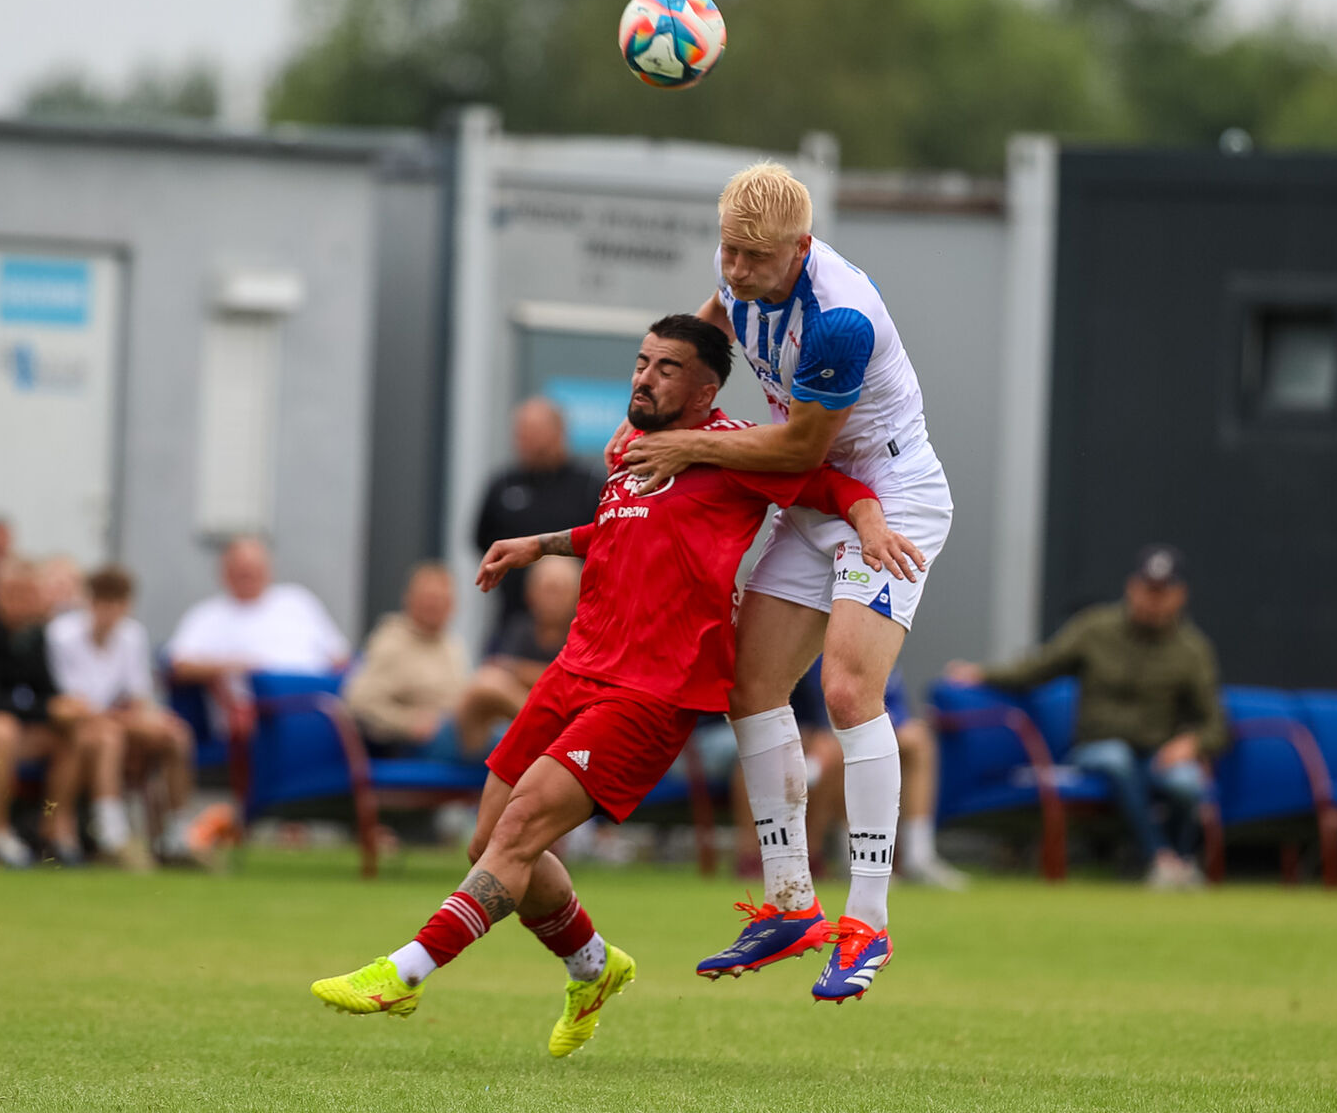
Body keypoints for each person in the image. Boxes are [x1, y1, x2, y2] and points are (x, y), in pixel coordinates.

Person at [310, 314, 924, 1051]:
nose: (644, 376)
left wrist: (871, 524)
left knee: (519, 830)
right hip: (576, 666)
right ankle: (593, 967)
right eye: (641, 361)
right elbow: (627, 529)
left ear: (705, 391)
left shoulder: (734, 452)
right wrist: (539, 545)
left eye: (666, 367)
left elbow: (834, 482)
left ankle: (404, 971)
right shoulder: (632, 450)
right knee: (488, 843)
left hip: (651, 691)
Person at [616, 162, 953, 1000]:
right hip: (816, 499)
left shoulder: (837, 320)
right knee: (751, 684)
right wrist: (651, 415)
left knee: (845, 692)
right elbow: (700, 353)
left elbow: (801, 449)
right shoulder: (737, 272)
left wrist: (687, 448)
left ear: (799, 249)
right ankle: (789, 902)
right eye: (726, 252)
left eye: (755, 260)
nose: (735, 272)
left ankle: (867, 922)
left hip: (890, 493)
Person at [944, 545, 1229, 887]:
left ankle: (1181, 860)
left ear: (1179, 595)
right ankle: (1159, 857)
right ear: (1131, 587)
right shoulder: (1096, 628)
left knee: (1186, 783)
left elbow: (1216, 724)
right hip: (1096, 748)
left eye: (1162, 592)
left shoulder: (1192, 649)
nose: (1152, 600)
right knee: (1118, 759)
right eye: (1146, 589)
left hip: (1157, 752)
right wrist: (983, 674)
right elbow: (1038, 668)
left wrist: (1191, 744)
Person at [0, 557, 132, 868]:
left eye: (29, 594)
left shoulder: (33, 638)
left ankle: (54, 827)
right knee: (0, 729)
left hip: (2, 736)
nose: (24, 602)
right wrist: (46, 708)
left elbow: (45, 692)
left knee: (71, 733)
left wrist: (63, 708)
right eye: (15, 593)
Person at [47, 566, 196, 864]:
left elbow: (138, 698)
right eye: (103, 602)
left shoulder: (133, 634)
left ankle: (176, 835)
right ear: (89, 602)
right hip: (75, 728)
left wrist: (149, 722)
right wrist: (127, 719)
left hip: (116, 720)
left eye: (117, 603)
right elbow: (74, 705)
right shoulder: (61, 634)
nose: (110, 612)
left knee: (176, 735)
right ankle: (112, 835)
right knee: (108, 737)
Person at [784, 660, 968, 890]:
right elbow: (820, 708)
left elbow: (896, 705)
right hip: (820, 733)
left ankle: (918, 856)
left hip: (871, 725)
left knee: (918, 740)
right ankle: (853, 857)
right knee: (843, 744)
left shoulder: (881, 637)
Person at [473, 397, 602, 646]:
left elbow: (604, 543)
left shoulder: (589, 486)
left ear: (558, 432)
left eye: (531, 432)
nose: (522, 440)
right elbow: (481, 540)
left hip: (577, 624)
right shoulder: (503, 485)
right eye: (519, 432)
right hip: (512, 620)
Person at [166, 537, 351, 685]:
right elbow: (180, 665)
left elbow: (340, 656)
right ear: (225, 573)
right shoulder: (206, 615)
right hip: (261, 707)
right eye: (243, 572)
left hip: (322, 696)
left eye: (257, 569)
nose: (251, 577)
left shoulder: (299, 600)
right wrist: (235, 667)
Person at [451, 556, 579, 759]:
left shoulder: (583, 635)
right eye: (548, 589)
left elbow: (577, 686)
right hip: (518, 728)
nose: (553, 598)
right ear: (531, 593)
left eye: (560, 590)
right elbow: (495, 673)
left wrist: (518, 671)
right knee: (483, 688)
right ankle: (474, 768)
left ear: (577, 595)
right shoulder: (520, 629)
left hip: (573, 730)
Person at [343, 562, 472, 757]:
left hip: (460, 730)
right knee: (492, 694)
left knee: (506, 734)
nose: (436, 606)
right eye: (430, 599)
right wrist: (408, 723)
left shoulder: (452, 645)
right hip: (418, 745)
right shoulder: (392, 642)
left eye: (444, 600)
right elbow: (359, 702)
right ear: (409, 599)